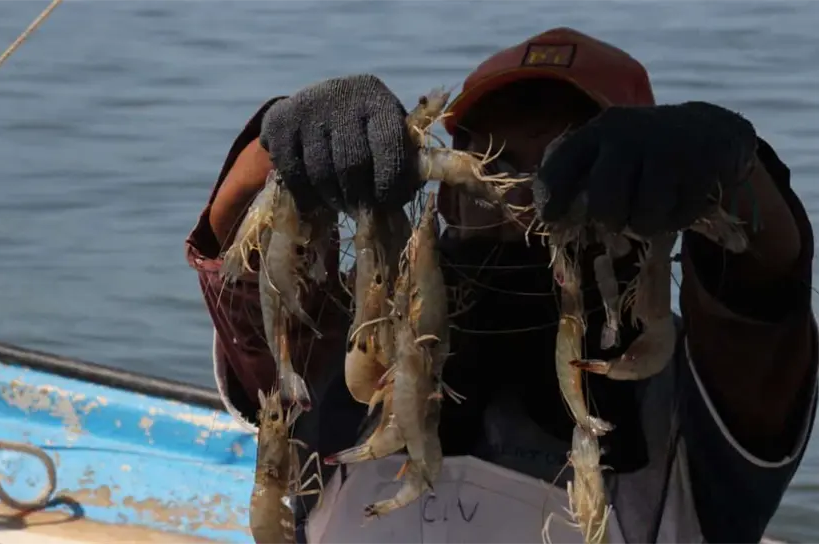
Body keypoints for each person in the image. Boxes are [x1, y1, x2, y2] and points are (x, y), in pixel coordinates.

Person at [186, 27, 816, 543]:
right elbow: (241, 272)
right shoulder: (360, 350)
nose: (522, 201)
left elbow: (763, 290)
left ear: (645, 194)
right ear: (449, 197)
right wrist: (280, 143)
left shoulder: (696, 402)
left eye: (567, 169)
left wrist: (731, 167)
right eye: (495, 163)